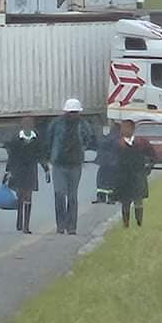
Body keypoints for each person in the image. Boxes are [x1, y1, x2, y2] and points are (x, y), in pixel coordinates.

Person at [48, 98, 96, 235]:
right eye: (71, 112)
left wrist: (81, 148)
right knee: (59, 194)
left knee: (72, 197)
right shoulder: (56, 124)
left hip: (75, 164)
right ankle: (61, 225)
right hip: (59, 164)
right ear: (66, 112)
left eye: (76, 112)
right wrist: (48, 158)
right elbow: (49, 139)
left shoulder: (83, 124)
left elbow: (89, 138)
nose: (73, 115)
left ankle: (72, 226)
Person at [4, 124, 50, 233]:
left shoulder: (36, 140)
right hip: (18, 171)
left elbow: (40, 155)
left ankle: (26, 226)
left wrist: (46, 169)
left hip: (30, 171)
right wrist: (8, 171)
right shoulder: (16, 140)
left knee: (28, 196)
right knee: (21, 195)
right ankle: (20, 220)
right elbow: (12, 156)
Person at [113, 120, 156, 228]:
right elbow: (112, 159)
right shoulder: (117, 144)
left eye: (126, 128)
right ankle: (126, 223)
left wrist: (148, 168)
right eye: (123, 128)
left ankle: (139, 223)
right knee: (125, 201)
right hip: (123, 177)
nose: (124, 130)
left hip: (137, 175)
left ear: (132, 129)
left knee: (138, 200)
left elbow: (153, 156)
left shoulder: (141, 143)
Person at [93, 122, 119, 205]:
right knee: (111, 180)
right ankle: (111, 197)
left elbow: (100, 143)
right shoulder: (118, 138)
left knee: (102, 179)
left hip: (104, 162)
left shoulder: (107, 137)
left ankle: (102, 197)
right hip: (112, 162)